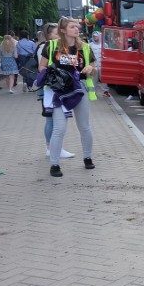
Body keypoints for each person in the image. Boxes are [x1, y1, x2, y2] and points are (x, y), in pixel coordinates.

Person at [40, 17, 96, 177]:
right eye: (72, 27)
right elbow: (41, 66)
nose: (77, 29)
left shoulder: (84, 47)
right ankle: (55, 164)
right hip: (59, 91)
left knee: (84, 126)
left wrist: (90, 68)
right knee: (59, 128)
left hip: (79, 90)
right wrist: (51, 73)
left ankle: (87, 157)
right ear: (63, 30)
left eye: (77, 26)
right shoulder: (51, 46)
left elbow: (94, 68)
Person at [35, 23, 74, 159]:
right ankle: (52, 148)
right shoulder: (46, 47)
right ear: (49, 35)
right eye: (56, 34)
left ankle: (53, 147)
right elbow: (42, 67)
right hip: (49, 87)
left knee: (53, 119)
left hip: (54, 86)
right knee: (52, 120)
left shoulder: (54, 46)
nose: (59, 36)